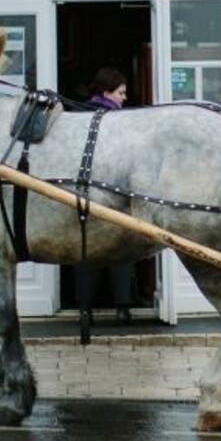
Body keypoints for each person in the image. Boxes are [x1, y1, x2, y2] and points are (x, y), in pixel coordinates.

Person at [75, 67, 135, 327]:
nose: (124, 98)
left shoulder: (78, 116)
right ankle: (123, 308)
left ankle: (84, 309)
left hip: (84, 192)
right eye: (121, 92)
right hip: (115, 193)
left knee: (84, 250)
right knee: (122, 249)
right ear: (106, 92)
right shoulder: (118, 122)